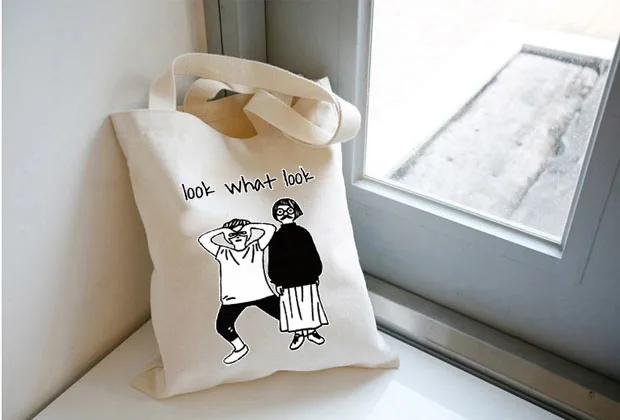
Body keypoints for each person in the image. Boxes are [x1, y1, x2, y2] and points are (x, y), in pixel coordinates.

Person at [198, 218, 278, 365]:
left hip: (261, 293)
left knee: (287, 316)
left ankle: (305, 334)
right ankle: (239, 348)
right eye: (232, 235)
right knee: (223, 327)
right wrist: (225, 231)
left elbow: (270, 229)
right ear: (227, 237)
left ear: (249, 234)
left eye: (242, 233)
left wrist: (247, 227)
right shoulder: (222, 252)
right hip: (234, 298)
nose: (238, 236)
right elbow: (203, 239)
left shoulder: (256, 247)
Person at [268, 198, 329, 350]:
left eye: (289, 210)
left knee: (309, 305)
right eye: (280, 211)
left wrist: (316, 274)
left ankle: (312, 331)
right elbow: (273, 260)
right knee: (292, 308)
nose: (285, 214)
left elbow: (313, 254)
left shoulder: (303, 233)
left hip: (307, 278)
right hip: (287, 281)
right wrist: (277, 282)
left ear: (295, 212)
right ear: (275, 215)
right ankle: (298, 334)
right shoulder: (276, 237)